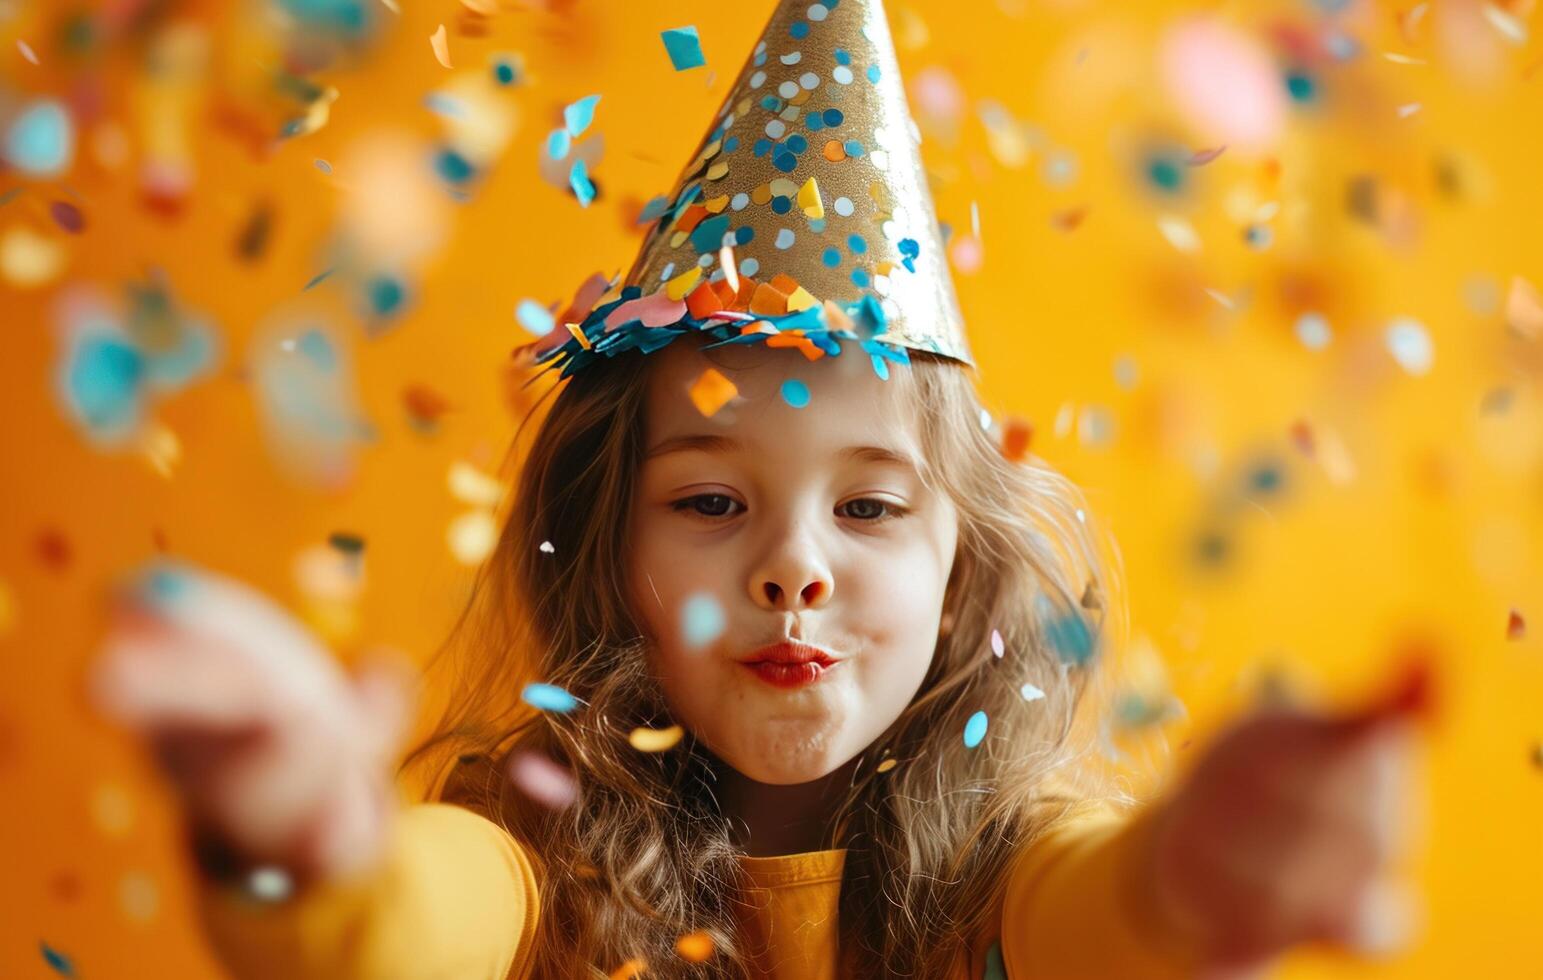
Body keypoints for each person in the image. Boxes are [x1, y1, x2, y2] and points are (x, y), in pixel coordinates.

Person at [91, 1, 1425, 977]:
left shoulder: (1009, 870)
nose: (795, 569)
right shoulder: (527, 847)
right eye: (712, 502)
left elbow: (1105, 919)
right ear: (612, 554)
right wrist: (308, 852)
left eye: (871, 506)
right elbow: (398, 925)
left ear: (962, 568)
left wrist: (1193, 885)